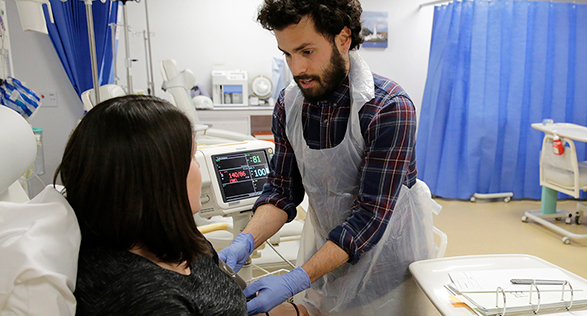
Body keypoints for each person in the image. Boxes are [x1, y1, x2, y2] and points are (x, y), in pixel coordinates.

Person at [218, 0, 442, 315]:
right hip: (327, 252)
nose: (296, 69)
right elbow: (282, 191)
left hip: (388, 264)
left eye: (307, 52)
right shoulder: (289, 105)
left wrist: (296, 279)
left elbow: (370, 217)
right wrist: (245, 241)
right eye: (287, 54)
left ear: (343, 38)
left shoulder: (388, 108)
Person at [57, 95, 307, 316]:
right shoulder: (149, 299)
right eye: (191, 158)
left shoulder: (180, 242)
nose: (199, 168)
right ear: (159, 180)